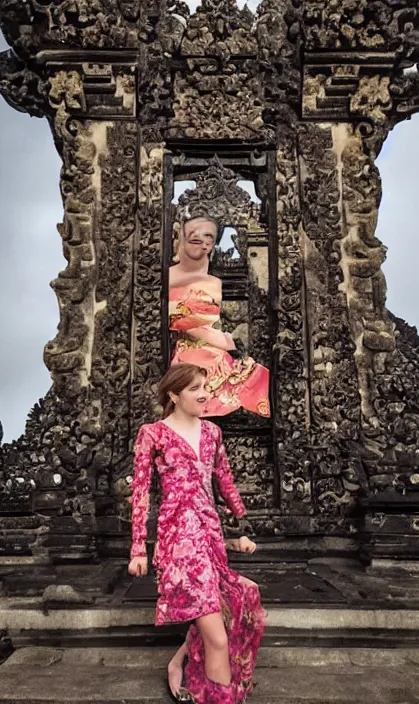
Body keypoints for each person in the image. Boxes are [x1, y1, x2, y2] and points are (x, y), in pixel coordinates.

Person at [128, 363, 265, 703]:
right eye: (194, 388)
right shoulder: (153, 434)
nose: (204, 394)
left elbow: (224, 481)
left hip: (210, 535)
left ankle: (179, 662)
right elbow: (141, 494)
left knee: (236, 603)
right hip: (179, 543)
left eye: (205, 386)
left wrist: (241, 526)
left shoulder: (213, 434)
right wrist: (137, 550)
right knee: (216, 635)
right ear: (173, 396)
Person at [168, 215, 270, 418]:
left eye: (209, 237)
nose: (203, 241)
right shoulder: (168, 276)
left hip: (213, 348)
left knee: (261, 376)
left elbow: (208, 322)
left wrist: (222, 341)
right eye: (195, 235)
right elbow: (181, 322)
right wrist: (221, 341)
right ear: (181, 237)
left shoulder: (213, 282)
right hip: (188, 352)